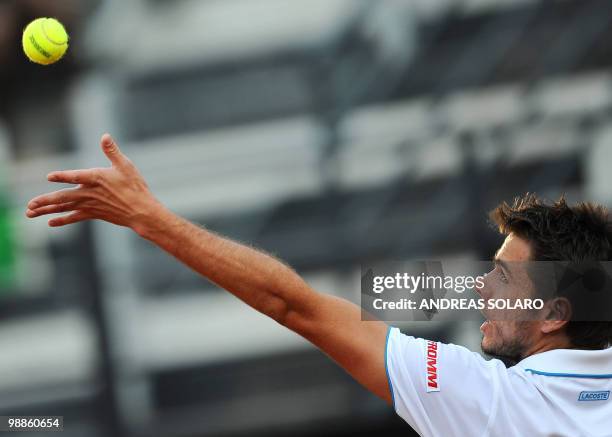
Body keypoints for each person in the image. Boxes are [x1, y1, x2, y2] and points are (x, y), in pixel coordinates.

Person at [26, 134, 612, 436]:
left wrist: (150, 219)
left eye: (504, 278)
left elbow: (292, 305)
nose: (481, 289)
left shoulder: (491, 405)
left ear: (557, 311)